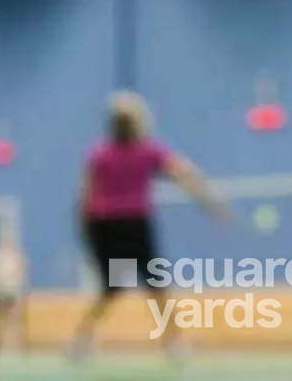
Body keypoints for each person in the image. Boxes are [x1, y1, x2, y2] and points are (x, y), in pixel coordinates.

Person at [70, 91, 226, 357]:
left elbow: (83, 197)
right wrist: (209, 201)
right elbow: (185, 173)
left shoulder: (104, 153)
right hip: (130, 225)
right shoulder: (142, 151)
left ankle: (85, 338)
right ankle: (173, 342)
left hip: (106, 226)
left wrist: (85, 230)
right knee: (153, 284)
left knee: (116, 287)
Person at [0, 221, 28, 353]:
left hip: (12, 293)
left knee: (14, 318)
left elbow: (22, 274)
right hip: (0, 293)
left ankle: (17, 342)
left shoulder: (17, 257)